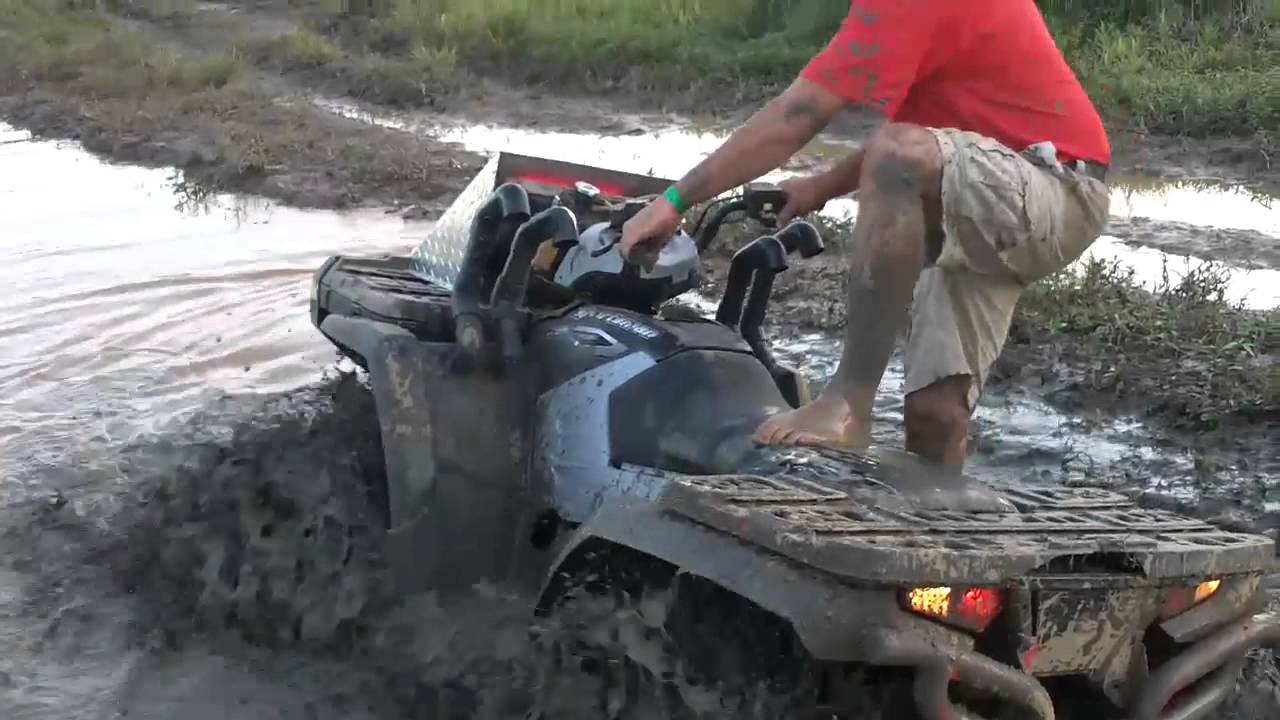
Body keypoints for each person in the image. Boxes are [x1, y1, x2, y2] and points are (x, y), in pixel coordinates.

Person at [619, 0, 1111, 469]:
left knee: (898, 153)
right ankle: (932, 536)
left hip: (1055, 185)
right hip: (985, 194)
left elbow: (802, 113)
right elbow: (934, 129)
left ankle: (846, 405)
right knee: (933, 414)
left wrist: (675, 201)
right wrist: (820, 186)